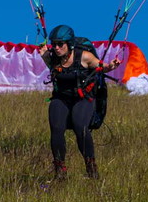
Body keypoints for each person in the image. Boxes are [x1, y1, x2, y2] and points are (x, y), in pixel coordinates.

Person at [39, 25, 121, 180]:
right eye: (54, 44)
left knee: (80, 128)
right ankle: (60, 170)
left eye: (60, 44)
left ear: (69, 43)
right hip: (61, 99)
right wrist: (44, 54)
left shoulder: (84, 57)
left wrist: (112, 66)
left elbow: (102, 67)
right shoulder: (53, 57)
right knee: (56, 130)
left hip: (82, 99)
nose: (56, 47)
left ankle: (91, 167)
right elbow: (52, 66)